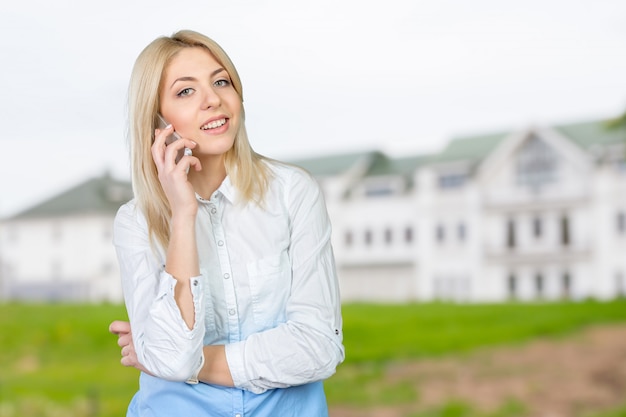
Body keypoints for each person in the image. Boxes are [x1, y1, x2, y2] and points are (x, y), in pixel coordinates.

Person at [108, 29, 345, 417]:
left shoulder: (293, 192)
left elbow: (319, 348)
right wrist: (183, 216)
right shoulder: (135, 223)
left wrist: (188, 362)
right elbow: (169, 357)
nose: (213, 99)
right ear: (156, 121)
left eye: (221, 82)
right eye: (186, 91)